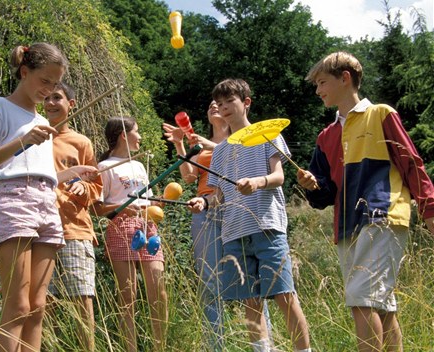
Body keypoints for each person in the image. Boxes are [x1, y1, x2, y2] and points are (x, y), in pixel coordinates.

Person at [298, 51, 434, 352]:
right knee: (381, 305)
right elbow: (323, 197)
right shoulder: (326, 136)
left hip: (382, 214)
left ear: (345, 78)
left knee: (361, 300)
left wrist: (429, 209)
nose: (318, 91)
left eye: (322, 83)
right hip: (346, 226)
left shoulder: (381, 114)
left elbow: (412, 164)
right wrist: (311, 185)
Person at [0, 43, 96, 352]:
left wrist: (74, 173)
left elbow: (40, 173)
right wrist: (22, 140)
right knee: (17, 305)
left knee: (38, 306)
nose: (49, 90)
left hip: (47, 204)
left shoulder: (43, 121)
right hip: (15, 202)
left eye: (56, 85)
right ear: (25, 72)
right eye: (45, 81)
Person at [192, 78, 311, 352]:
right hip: (234, 232)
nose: (223, 108)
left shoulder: (268, 135)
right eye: (219, 104)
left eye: (229, 102)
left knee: (284, 295)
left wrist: (257, 182)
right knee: (251, 300)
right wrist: (204, 202)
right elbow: (218, 194)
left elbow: (279, 176)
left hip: (266, 225)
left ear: (246, 102)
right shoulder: (219, 150)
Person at [93, 116, 168, 352]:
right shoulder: (105, 167)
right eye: (138, 132)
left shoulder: (139, 165)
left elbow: (151, 201)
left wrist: (160, 203)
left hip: (148, 227)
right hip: (120, 228)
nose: (141, 137)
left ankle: (160, 347)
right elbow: (96, 208)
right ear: (124, 135)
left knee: (159, 289)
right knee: (128, 296)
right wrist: (123, 208)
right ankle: (130, 348)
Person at [163, 101, 229, 350]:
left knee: (249, 281)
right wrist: (181, 144)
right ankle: (215, 345)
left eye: (219, 102)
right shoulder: (199, 144)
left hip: (236, 209)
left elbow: (239, 154)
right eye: (210, 103)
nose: (213, 105)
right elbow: (189, 176)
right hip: (204, 210)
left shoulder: (238, 138)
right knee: (210, 281)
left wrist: (208, 144)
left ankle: (259, 343)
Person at [44, 82, 103, 350]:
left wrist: (84, 187)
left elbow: (96, 186)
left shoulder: (81, 142)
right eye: (46, 98)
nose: (50, 103)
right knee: (45, 304)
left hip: (74, 229)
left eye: (57, 97)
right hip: (38, 231)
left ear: (71, 104)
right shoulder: (33, 137)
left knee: (82, 299)